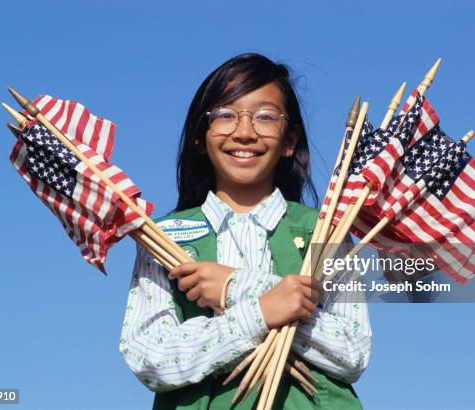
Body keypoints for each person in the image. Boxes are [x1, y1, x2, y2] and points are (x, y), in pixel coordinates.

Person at [120, 53, 372, 409]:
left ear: (289, 140)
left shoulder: (328, 229)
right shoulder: (163, 237)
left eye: (266, 117)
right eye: (224, 115)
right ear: (199, 136)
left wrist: (237, 285)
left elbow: (353, 351)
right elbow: (149, 357)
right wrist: (258, 314)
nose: (244, 131)